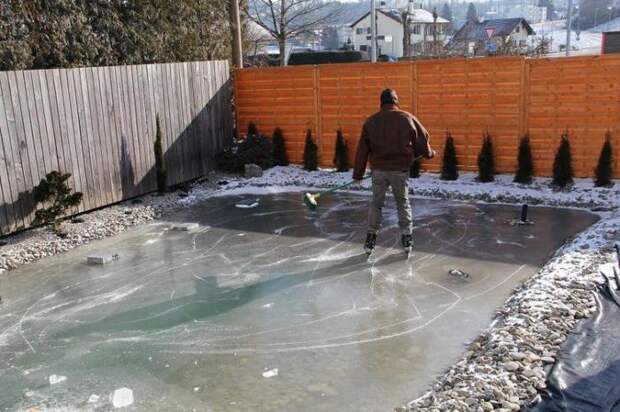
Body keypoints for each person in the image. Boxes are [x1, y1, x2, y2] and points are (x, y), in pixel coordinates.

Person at [352, 88, 435, 254]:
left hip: (378, 172)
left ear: (381, 102)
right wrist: (429, 153)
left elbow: (362, 149)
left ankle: (370, 240)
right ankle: (407, 239)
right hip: (399, 171)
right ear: (396, 101)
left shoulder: (371, 122)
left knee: (376, 205)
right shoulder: (406, 118)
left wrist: (358, 174)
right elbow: (422, 136)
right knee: (402, 203)